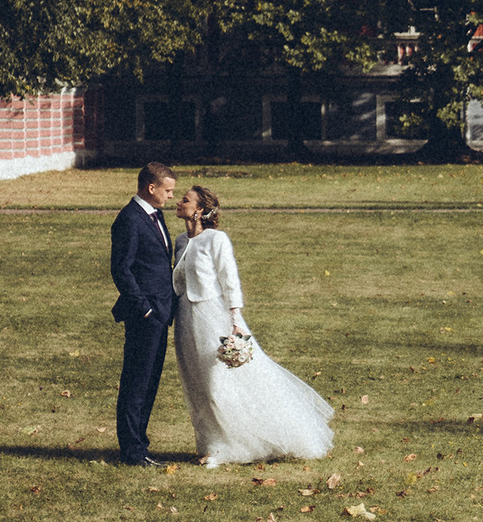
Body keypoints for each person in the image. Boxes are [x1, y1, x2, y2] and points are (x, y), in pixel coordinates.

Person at [170, 184, 336, 467]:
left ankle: (232, 446)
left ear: (199, 209)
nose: (178, 202)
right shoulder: (180, 241)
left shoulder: (217, 240)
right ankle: (211, 443)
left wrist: (235, 320)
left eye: (185, 200)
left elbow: (229, 279)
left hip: (214, 316)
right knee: (195, 382)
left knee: (218, 382)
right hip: (186, 317)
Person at [107, 162, 180, 466]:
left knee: (149, 383)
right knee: (136, 383)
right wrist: (145, 308)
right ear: (151, 188)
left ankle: (140, 446)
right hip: (145, 316)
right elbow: (121, 270)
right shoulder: (129, 220)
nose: (172, 197)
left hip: (161, 314)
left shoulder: (154, 215)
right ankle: (133, 451)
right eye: (168, 190)